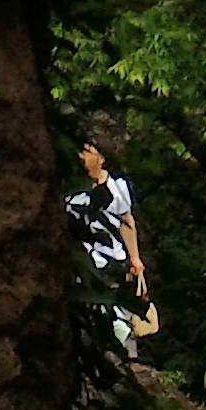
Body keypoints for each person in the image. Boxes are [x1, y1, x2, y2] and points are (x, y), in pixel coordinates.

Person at [65, 127, 155, 354]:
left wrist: (136, 259)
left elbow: (127, 222)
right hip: (83, 261)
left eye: (88, 152)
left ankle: (122, 352)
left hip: (113, 261)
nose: (82, 157)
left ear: (101, 158)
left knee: (118, 309)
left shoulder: (118, 187)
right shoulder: (72, 189)